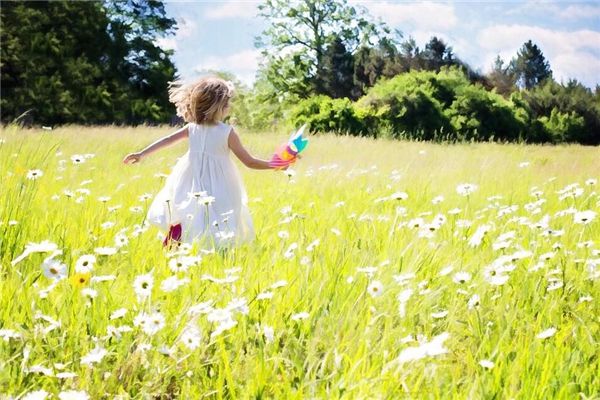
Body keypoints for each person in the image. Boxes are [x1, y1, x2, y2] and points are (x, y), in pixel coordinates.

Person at [122, 76, 293, 248]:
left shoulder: (192, 128)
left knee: (187, 209)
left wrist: (142, 154)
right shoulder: (227, 132)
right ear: (216, 106)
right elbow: (249, 162)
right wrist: (275, 164)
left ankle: (179, 243)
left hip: (190, 177)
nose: (229, 107)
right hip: (220, 182)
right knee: (219, 215)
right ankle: (214, 249)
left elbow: (167, 140)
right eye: (226, 104)